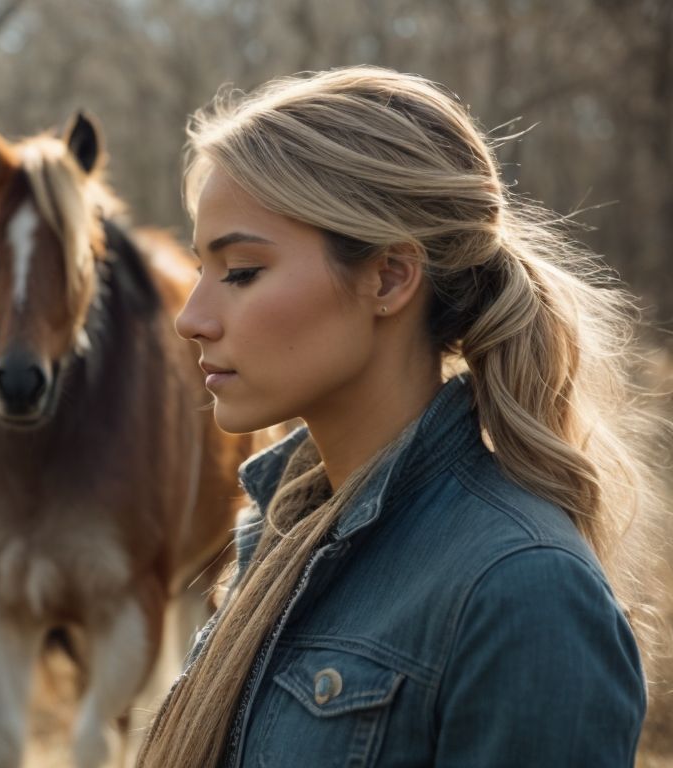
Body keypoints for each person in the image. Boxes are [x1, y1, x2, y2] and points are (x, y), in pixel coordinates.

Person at [137, 66, 661, 767]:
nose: (192, 319)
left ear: (388, 277)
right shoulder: (284, 528)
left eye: (240, 272)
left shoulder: (523, 592)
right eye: (201, 269)